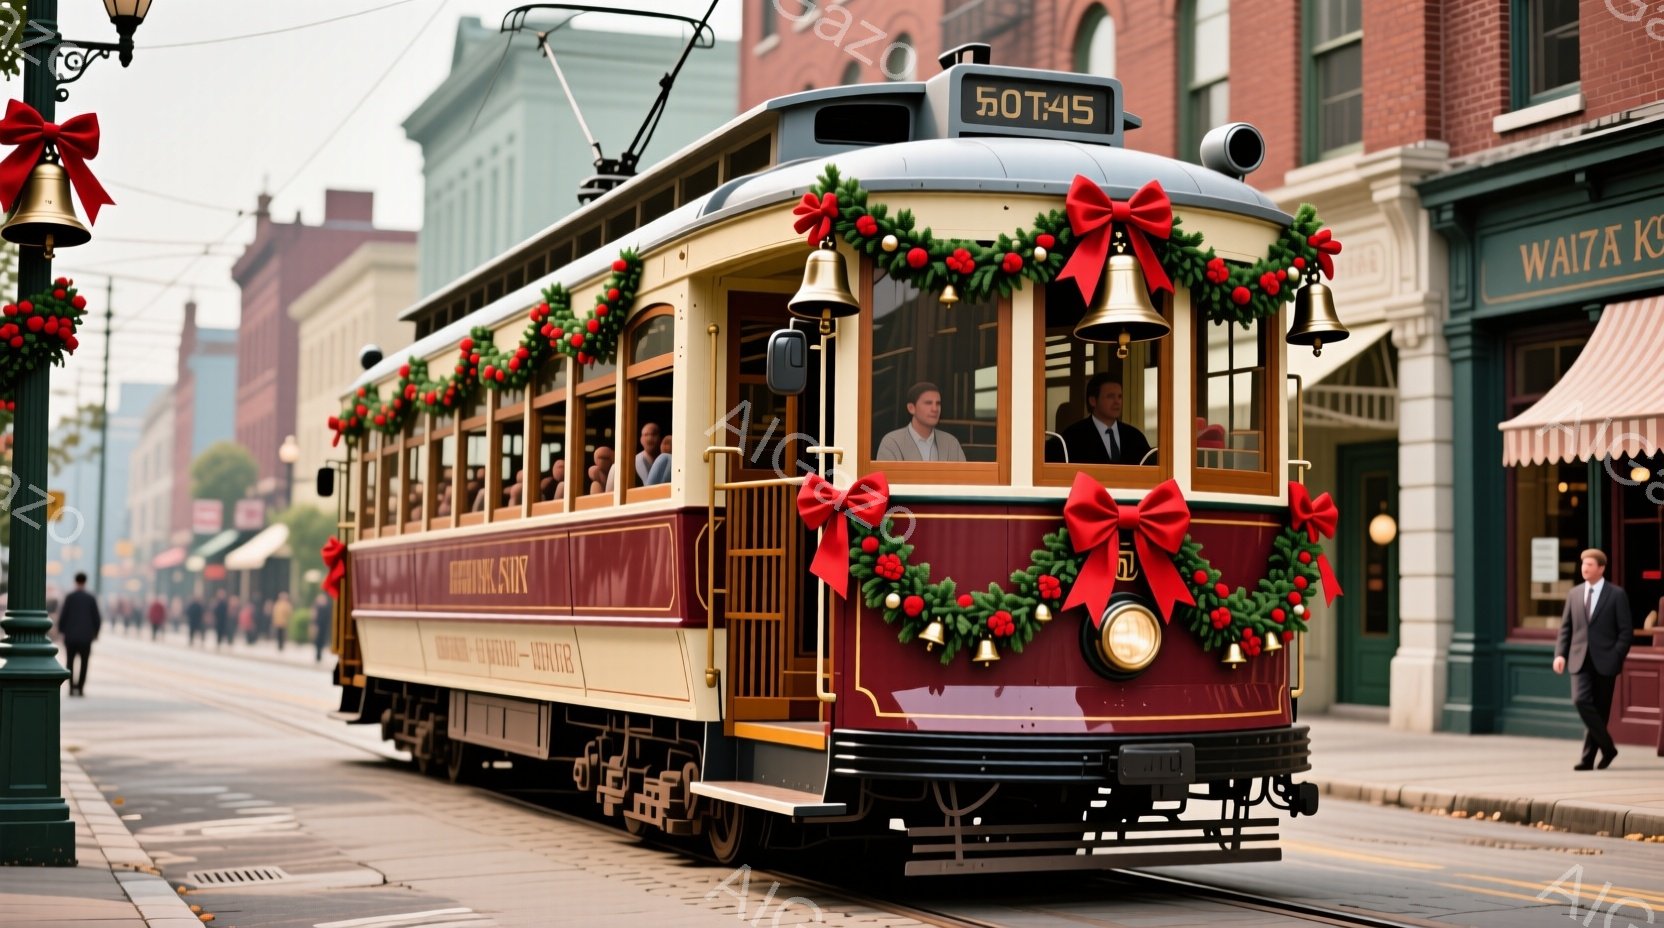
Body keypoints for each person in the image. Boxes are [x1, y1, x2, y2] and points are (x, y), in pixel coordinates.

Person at [1555, 548, 1634, 770]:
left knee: (1600, 711)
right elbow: (1566, 628)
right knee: (1580, 700)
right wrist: (1560, 654)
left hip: (1606, 660)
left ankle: (1588, 759)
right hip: (1579, 659)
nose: (1584, 568)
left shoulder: (1616, 594)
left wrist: (1617, 654)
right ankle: (1608, 747)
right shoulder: (1574, 594)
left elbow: (1626, 631)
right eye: (1583, 564)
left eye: (1589, 565)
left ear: (1601, 568)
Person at [1060, 373, 1153, 466]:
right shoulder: (1073, 436)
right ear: (1093, 400)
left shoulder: (1135, 436)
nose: (1117, 402)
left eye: (1120, 396)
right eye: (1110, 396)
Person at [876, 382, 967, 463]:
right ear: (911, 408)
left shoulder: (951, 443)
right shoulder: (892, 442)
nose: (935, 409)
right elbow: (886, 480)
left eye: (938, 403)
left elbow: (964, 479)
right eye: (928, 403)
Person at [55, 572, 101, 697]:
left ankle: (71, 688)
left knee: (70, 662)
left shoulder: (70, 597)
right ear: (85, 582)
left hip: (70, 637)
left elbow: (63, 616)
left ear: (75, 581)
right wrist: (96, 633)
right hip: (86, 637)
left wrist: (61, 631)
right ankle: (80, 688)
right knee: (84, 663)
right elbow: (96, 618)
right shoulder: (90, 598)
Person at [313, 592, 333, 663]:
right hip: (318, 626)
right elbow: (314, 617)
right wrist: (314, 625)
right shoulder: (317, 607)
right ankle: (317, 655)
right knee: (317, 641)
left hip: (324, 627)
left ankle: (319, 655)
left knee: (322, 641)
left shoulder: (328, 606)